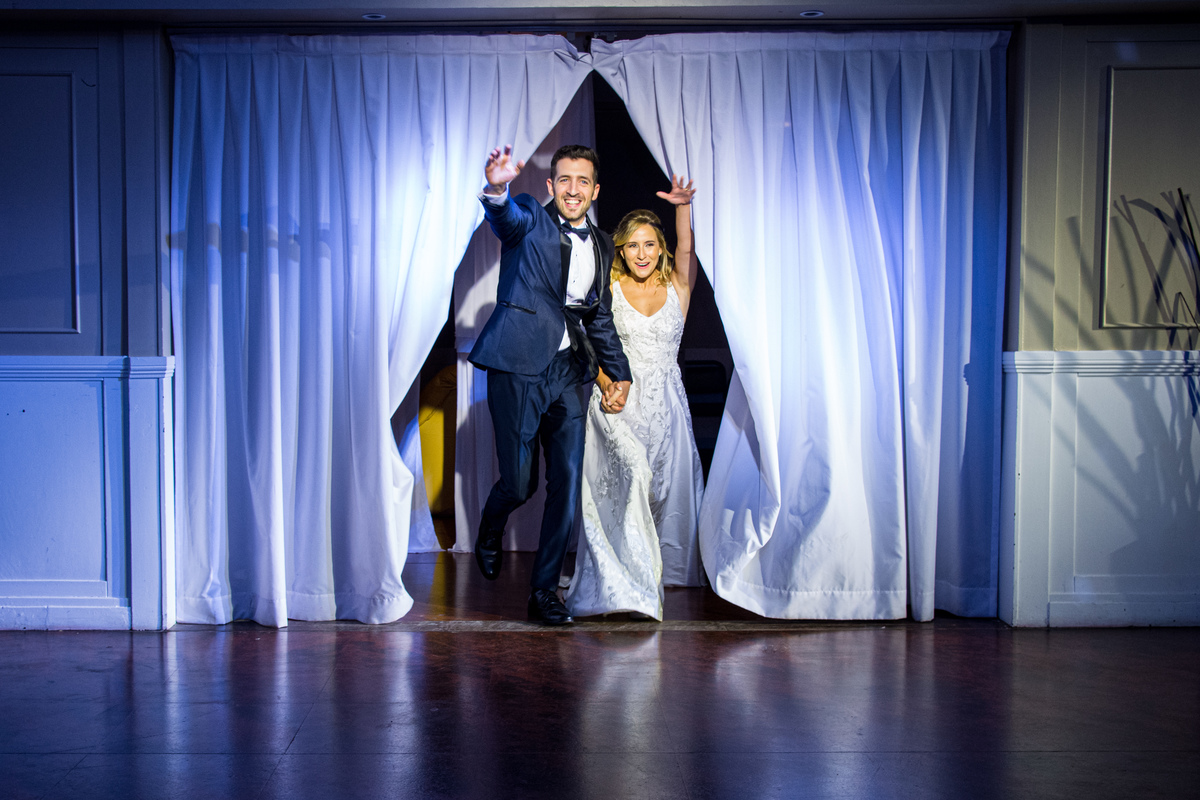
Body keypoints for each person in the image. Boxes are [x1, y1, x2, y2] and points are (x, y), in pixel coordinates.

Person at [469, 143, 633, 626]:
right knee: (519, 484)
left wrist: (620, 373)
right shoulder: (530, 219)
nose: (573, 189)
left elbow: (598, 317)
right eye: (564, 180)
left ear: (595, 190)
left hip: (566, 371)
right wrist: (497, 191)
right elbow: (506, 220)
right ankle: (491, 525)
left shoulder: (602, 244)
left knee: (567, 479)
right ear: (550, 185)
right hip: (517, 365)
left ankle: (543, 592)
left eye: (583, 181)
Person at [565, 176, 706, 621]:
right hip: (618, 401)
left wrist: (682, 207)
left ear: (661, 249)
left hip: (667, 405)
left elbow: (687, 250)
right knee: (627, 485)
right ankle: (625, 581)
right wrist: (605, 383)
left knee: (662, 489)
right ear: (621, 251)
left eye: (649, 245)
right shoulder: (608, 287)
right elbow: (590, 340)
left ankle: (662, 570)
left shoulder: (679, 288)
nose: (642, 253)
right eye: (632, 246)